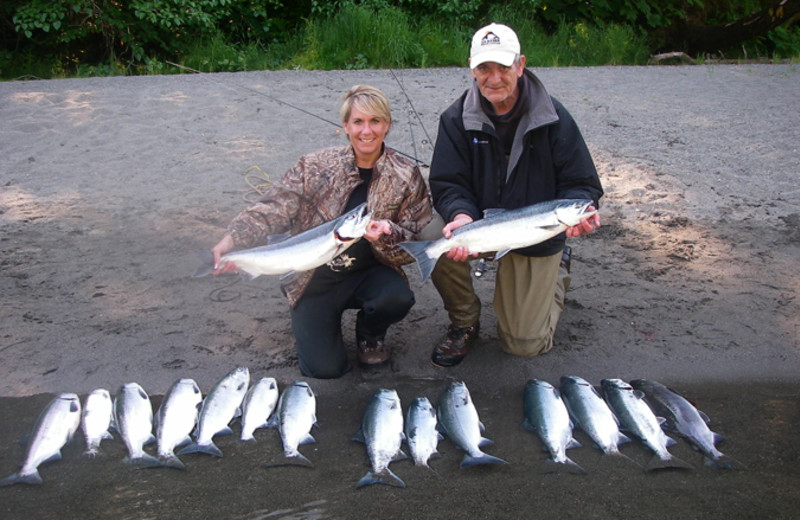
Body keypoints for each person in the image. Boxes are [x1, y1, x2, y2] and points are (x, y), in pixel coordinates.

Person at [211, 85, 432, 379]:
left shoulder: (406, 174)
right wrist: (233, 240)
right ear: (345, 126)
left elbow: (413, 239)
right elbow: (274, 206)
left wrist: (388, 233)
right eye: (358, 122)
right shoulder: (315, 166)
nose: (367, 131)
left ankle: (369, 335)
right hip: (313, 280)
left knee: (397, 298)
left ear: (386, 125)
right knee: (325, 370)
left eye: (375, 121)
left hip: (371, 273)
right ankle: (317, 326)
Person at [427, 23, 603, 367]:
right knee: (430, 232)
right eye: (484, 68)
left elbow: (582, 185)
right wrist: (460, 215)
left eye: (503, 67)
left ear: (520, 65)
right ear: (472, 68)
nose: (494, 78)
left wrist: (584, 209)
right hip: (481, 223)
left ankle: (558, 268)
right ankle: (465, 321)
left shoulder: (554, 118)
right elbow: (447, 183)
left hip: (536, 235)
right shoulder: (454, 118)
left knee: (524, 345)